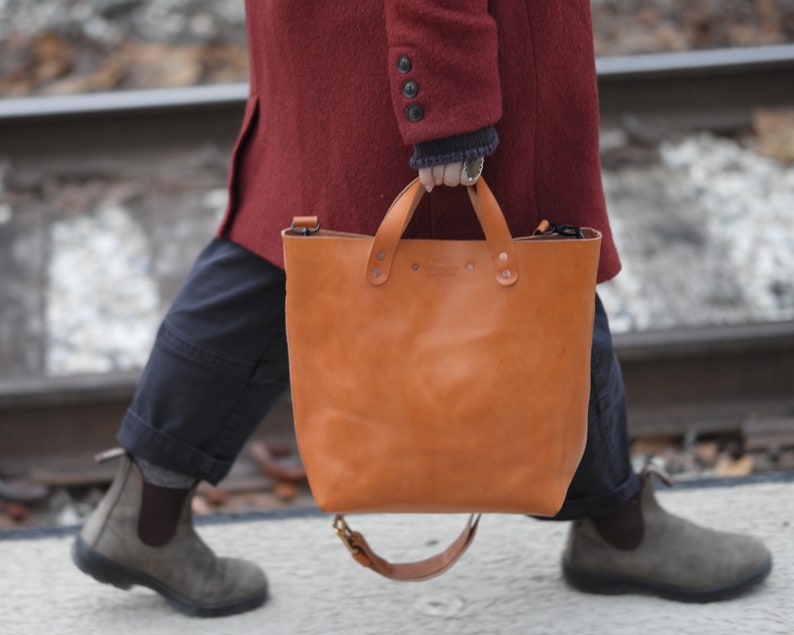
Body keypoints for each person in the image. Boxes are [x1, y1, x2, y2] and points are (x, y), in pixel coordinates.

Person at [71, 1, 771, 617]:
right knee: (537, 265)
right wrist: (444, 94)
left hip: (341, 30)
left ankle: (148, 512)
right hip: (417, 36)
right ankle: (619, 529)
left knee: (289, 244)